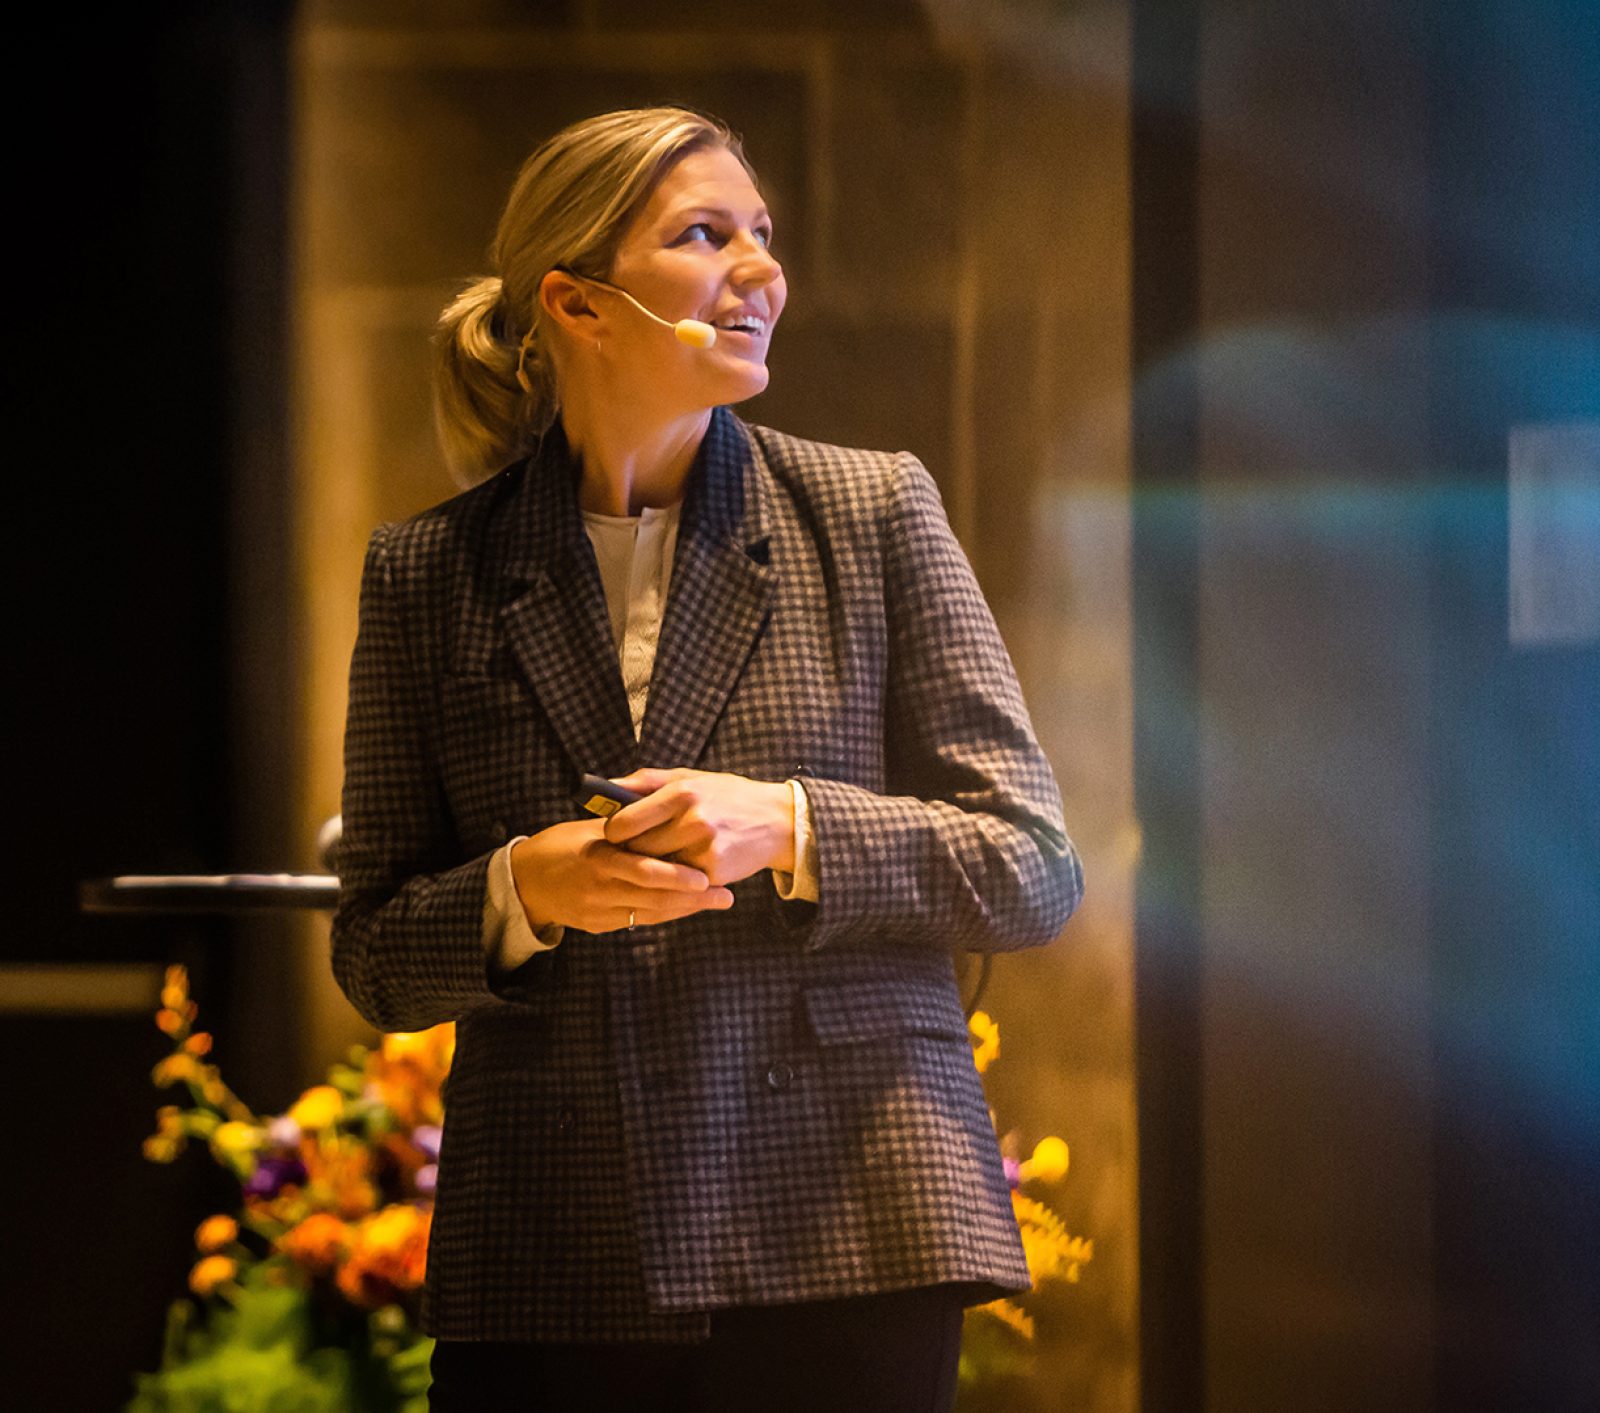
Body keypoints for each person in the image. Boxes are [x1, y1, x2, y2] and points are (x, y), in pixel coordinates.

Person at [331, 106, 1083, 1413]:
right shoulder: (427, 572)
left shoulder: (872, 511)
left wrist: (790, 824)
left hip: (847, 1223)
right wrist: (521, 889)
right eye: (703, 235)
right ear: (576, 300)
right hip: (554, 1248)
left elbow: (1033, 866)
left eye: (764, 234)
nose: (761, 270)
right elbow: (375, 954)